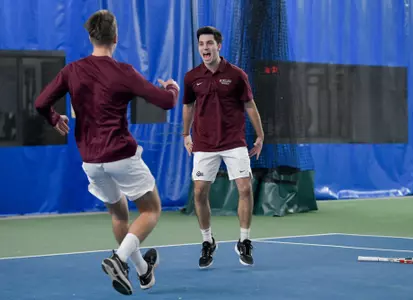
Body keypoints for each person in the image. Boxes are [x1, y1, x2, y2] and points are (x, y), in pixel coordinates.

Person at [34, 9, 180, 296]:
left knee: (119, 215)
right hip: (121, 156)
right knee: (151, 209)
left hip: (91, 161)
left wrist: (55, 118)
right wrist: (173, 88)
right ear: (116, 37)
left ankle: (143, 273)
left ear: (90, 37)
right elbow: (165, 102)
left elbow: (41, 103)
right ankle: (119, 259)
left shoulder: (71, 71)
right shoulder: (123, 72)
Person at [182, 26, 264, 269]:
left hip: (233, 140)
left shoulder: (237, 75)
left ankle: (244, 240)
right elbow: (188, 106)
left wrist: (260, 135)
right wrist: (185, 134)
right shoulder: (191, 77)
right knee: (198, 192)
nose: (205, 48)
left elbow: (249, 105)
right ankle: (208, 242)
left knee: (245, 187)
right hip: (204, 142)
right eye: (201, 44)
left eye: (209, 43)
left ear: (219, 45)